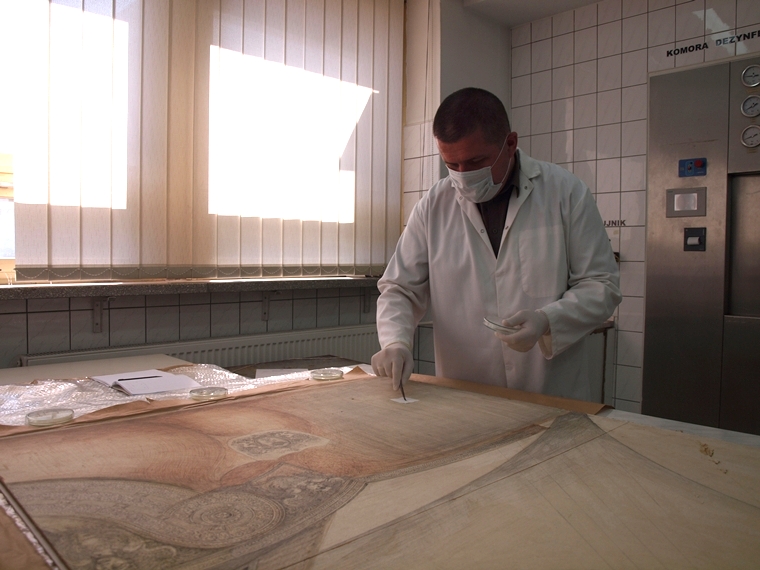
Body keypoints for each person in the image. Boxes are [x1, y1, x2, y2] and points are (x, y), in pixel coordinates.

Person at [371, 87, 621, 401]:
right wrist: (395, 341)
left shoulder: (566, 193)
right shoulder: (433, 206)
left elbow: (601, 285)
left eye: (476, 161)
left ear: (510, 143)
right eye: (452, 165)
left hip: (549, 392)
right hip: (466, 394)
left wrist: (547, 320)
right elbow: (400, 288)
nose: (463, 176)